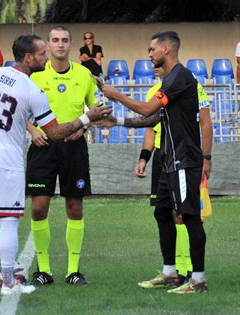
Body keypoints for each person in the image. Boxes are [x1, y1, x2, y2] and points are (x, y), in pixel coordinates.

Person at [0, 34, 111, 295]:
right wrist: (87, 118)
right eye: (43, 52)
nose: (46, 56)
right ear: (29, 57)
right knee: (8, 221)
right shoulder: (33, 90)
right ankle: (9, 282)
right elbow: (55, 133)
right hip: (7, 162)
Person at [99, 31, 211, 294]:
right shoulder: (169, 82)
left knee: (190, 216)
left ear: (167, 50)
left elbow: (148, 110)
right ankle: (170, 273)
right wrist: (116, 121)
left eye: (152, 49)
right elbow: (153, 120)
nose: (149, 54)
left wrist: (116, 95)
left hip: (184, 159)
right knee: (162, 212)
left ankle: (198, 280)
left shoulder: (180, 77)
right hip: (169, 158)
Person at [25, 26, 99, 287]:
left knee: (75, 207)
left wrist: (85, 127)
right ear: (47, 44)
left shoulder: (84, 74)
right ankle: (43, 270)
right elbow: (19, 110)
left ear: (71, 44)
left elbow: (94, 109)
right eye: (55, 40)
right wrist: (32, 129)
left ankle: (73, 271)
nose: (60, 45)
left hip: (73, 148)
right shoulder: (34, 75)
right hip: (43, 147)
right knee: (38, 207)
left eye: (64, 40)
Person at [134, 66, 213, 283]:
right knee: (163, 213)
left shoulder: (192, 86)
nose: (153, 62)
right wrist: (144, 158)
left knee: (183, 214)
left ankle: (188, 270)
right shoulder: (154, 92)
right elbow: (151, 129)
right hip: (163, 156)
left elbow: (205, 122)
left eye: (156, 55)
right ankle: (170, 270)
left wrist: (207, 157)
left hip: (182, 155)